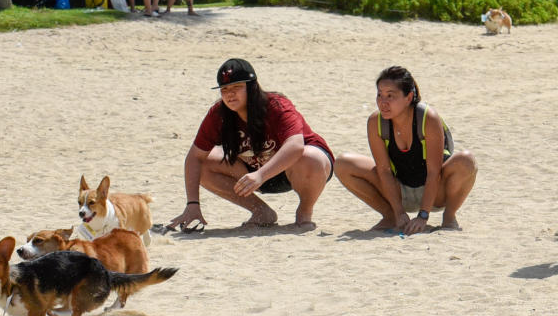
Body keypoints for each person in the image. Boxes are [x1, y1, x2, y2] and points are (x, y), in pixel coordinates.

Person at [167, 58, 334, 231]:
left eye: (236, 87)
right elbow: (194, 157)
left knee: (309, 157)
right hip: (255, 174)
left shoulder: (276, 105)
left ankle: (304, 212)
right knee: (203, 164)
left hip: (299, 169)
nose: (230, 94)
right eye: (224, 89)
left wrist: (261, 174)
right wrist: (192, 204)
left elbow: (296, 145)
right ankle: (261, 211)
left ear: (252, 86)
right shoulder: (219, 114)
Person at [334, 66, 477, 233]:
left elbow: (434, 172)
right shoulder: (376, 122)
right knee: (343, 163)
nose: (383, 102)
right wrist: (398, 212)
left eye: (390, 96)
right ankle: (390, 218)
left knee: (466, 160)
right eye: (379, 95)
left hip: (436, 192)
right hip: (399, 190)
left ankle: (449, 217)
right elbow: (384, 171)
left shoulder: (427, 118)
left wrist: (423, 215)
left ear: (409, 97)